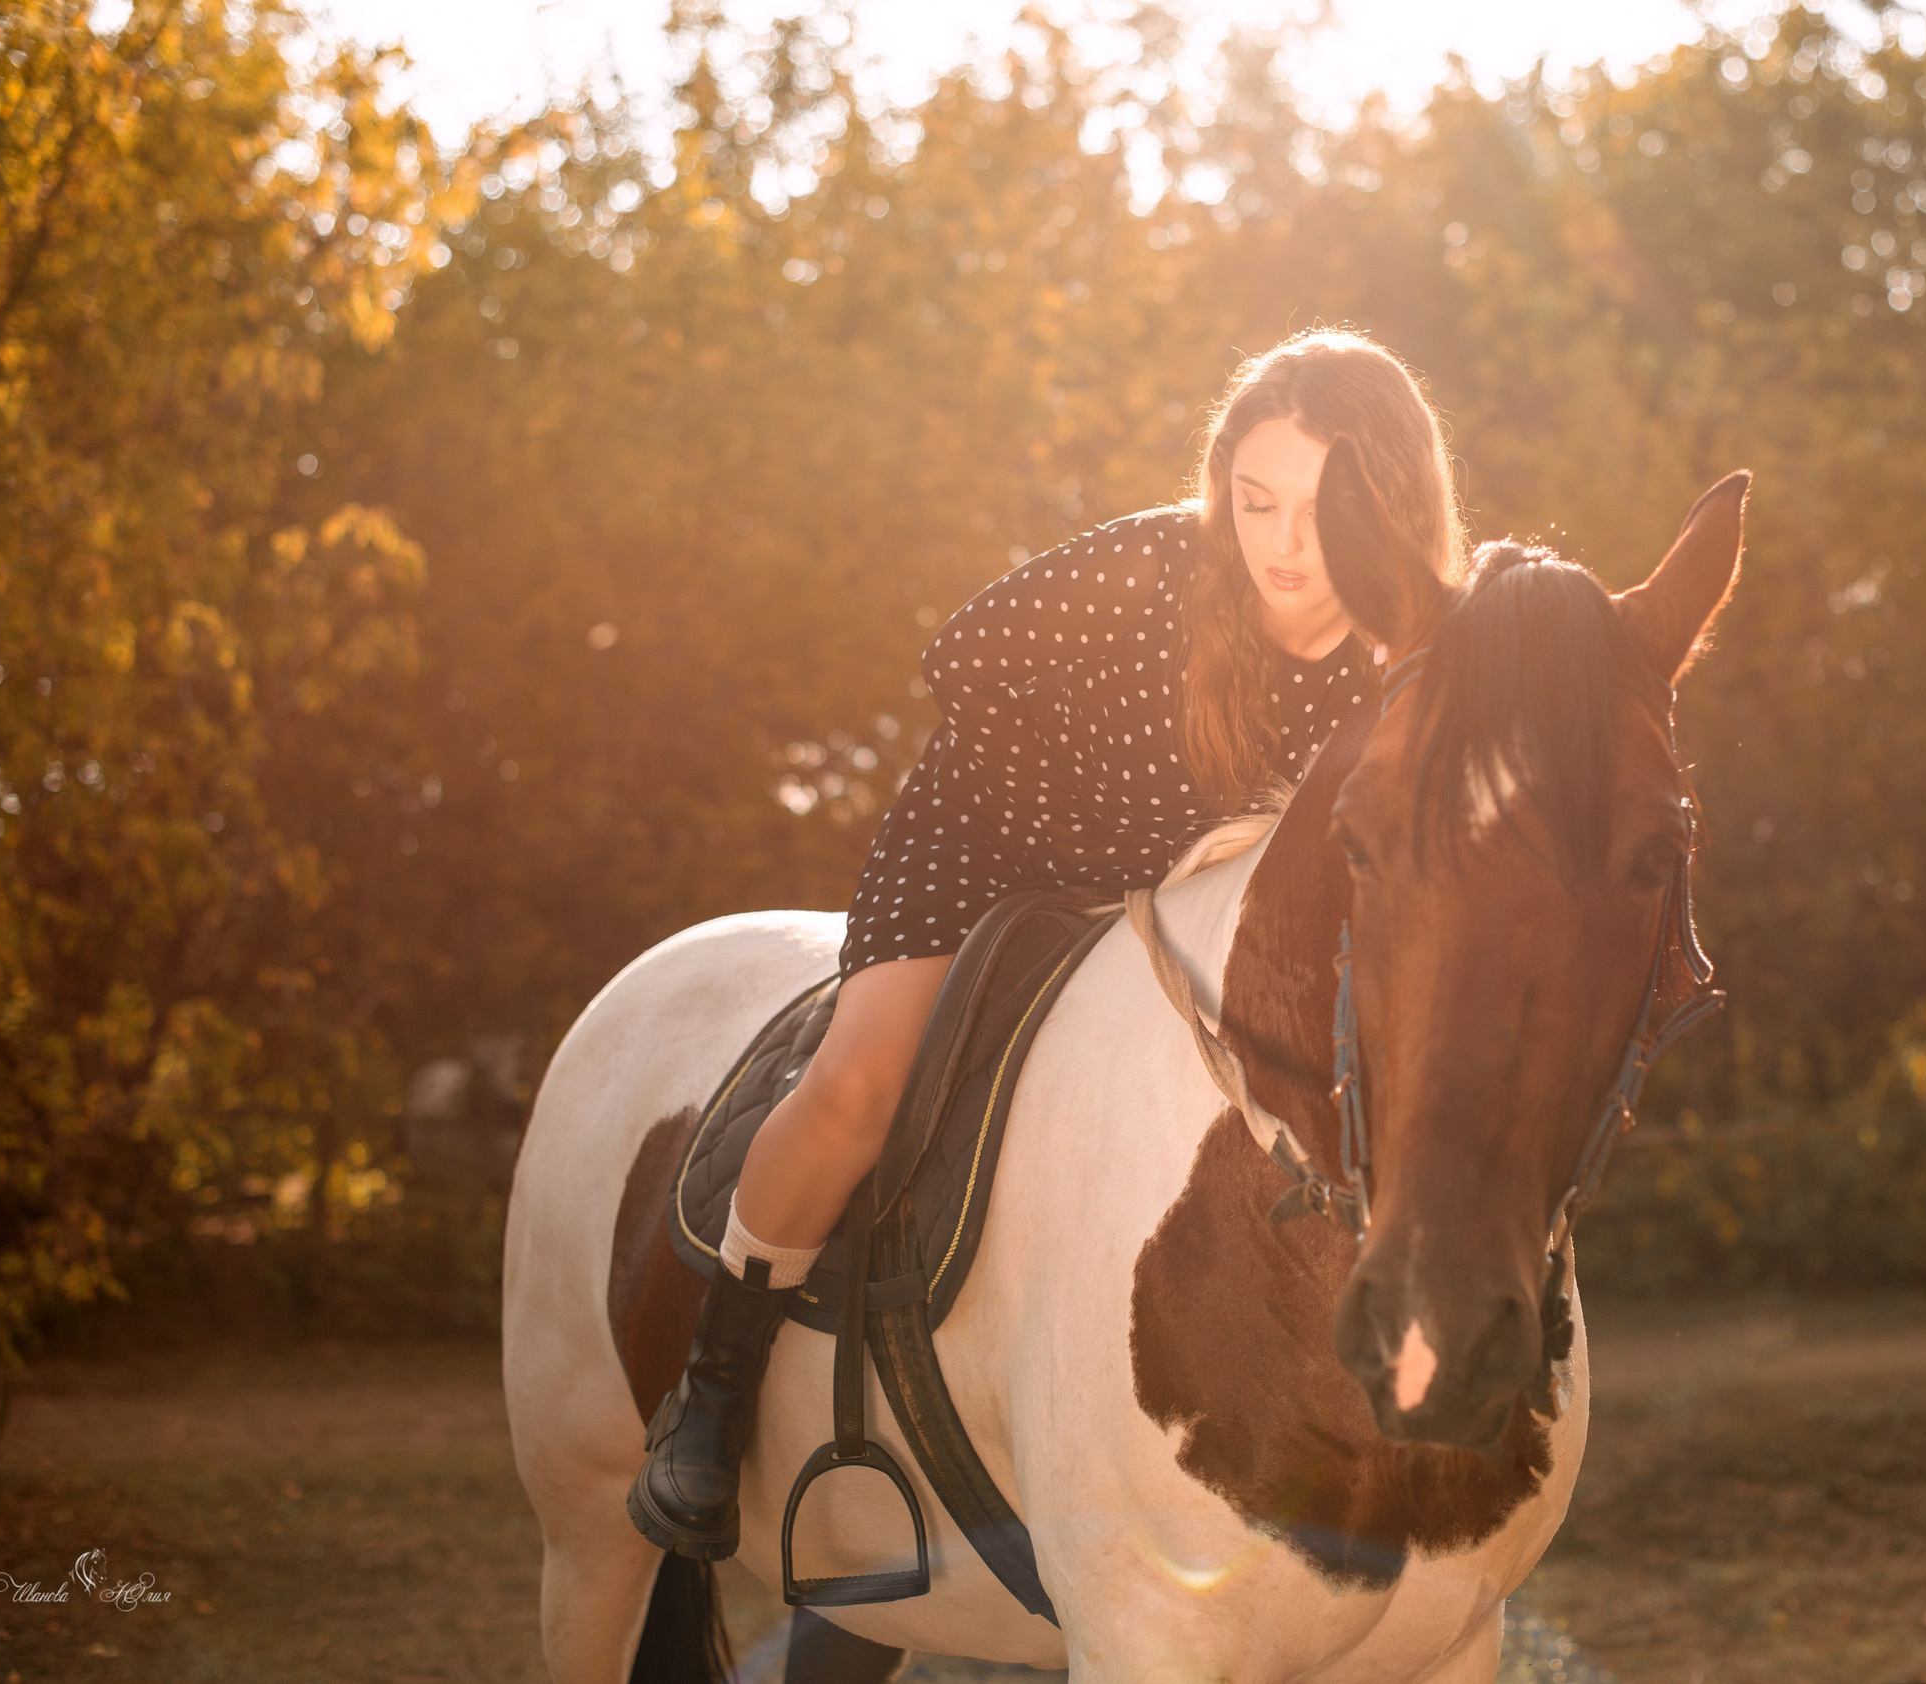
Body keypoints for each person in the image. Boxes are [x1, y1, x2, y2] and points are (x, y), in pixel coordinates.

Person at [627, 328, 1471, 1560]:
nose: (1282, 544)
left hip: (1165, 910)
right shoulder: (1152, 564)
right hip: (991, 839)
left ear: (1392, 499)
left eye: (1321, 508)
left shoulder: (1403, 657)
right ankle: (710, 1388)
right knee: (861, 1083)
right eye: (1255, 501)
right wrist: (1093, 848)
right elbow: (958, 662)